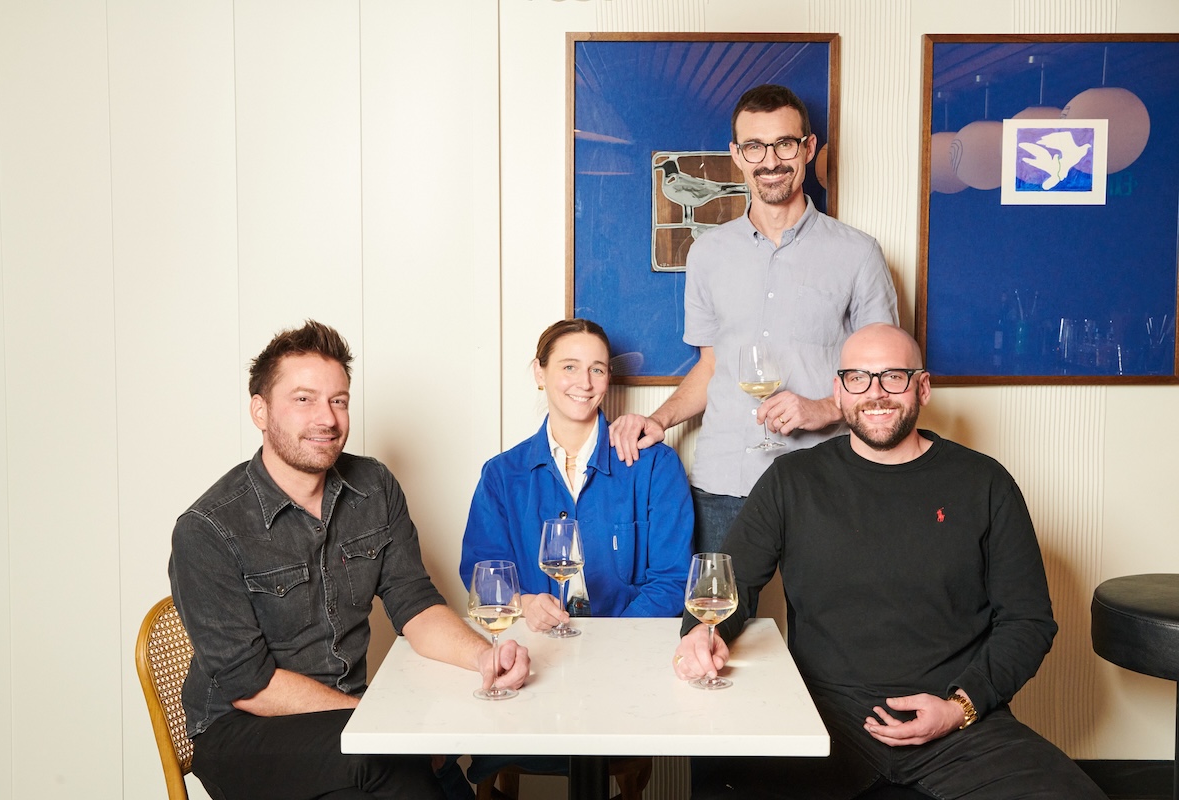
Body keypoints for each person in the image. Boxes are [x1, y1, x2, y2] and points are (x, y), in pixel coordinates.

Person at [671, 323, 1106, 800]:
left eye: (893, 377)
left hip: (958, 722)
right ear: (838, 391)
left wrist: (960, 707)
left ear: (922, 387)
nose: (875, 393)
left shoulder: (985, 483)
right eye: (858, 378)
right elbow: (727, 585)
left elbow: (1028, 621)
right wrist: (701, 632)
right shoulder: (791, 480)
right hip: (825, 716)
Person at [169, 320, 529, 800]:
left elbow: (415, 603)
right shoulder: (207, 529)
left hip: (348, 719)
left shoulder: (373, 487)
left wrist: (485, 656)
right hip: (241, 732)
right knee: (390, 760)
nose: (327, 418)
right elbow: (249, 686)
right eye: (304, 399)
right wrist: (375, 724)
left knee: (427, 761)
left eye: (338, 400)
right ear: (260, 409)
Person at [609, 83, 898, 555]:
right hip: (725, 479)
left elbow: (885, 379)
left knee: (828, 628)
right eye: (755, 146)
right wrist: (659, 420)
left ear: (807, 149)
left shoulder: (858, 253)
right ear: (737, 155)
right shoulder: (706, 254)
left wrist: (821, 409)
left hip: (822, 477)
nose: (770, 160)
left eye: (784, 143)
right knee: (714, 621)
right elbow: (711, 366)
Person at [460, 317, 693, 631]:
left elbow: (673, 581)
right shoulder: (501, 475)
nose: (585, 383)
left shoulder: (655, 466)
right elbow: (483, 575)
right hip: (536, 647)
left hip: (631, 649)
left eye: (596, 369)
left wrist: (612, 644)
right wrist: (525, 604)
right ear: (539, 373)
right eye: (569, 367)